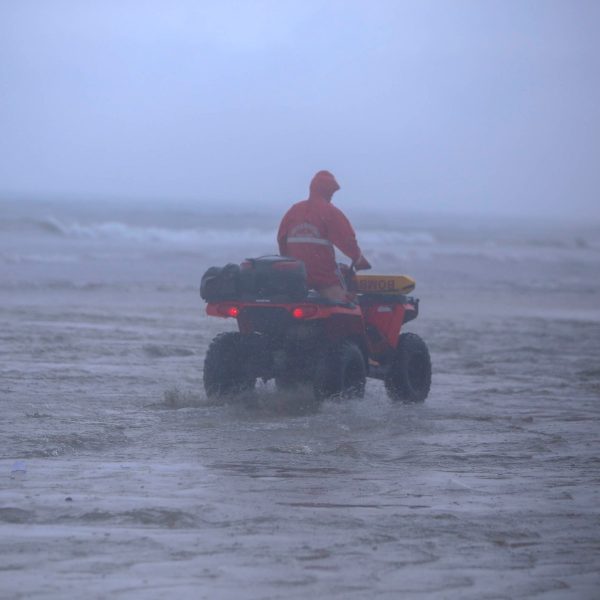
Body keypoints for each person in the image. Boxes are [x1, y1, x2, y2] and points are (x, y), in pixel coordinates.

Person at [277, 170, 371, 302]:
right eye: (331, 192)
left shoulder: (293, 211)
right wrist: (358, 258)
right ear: (326, 192)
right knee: (347, 304)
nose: (332, 195)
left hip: (297, 274)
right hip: (323, 274)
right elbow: (347, 240)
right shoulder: (330, 211)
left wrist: (288, 261)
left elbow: (281, 239)